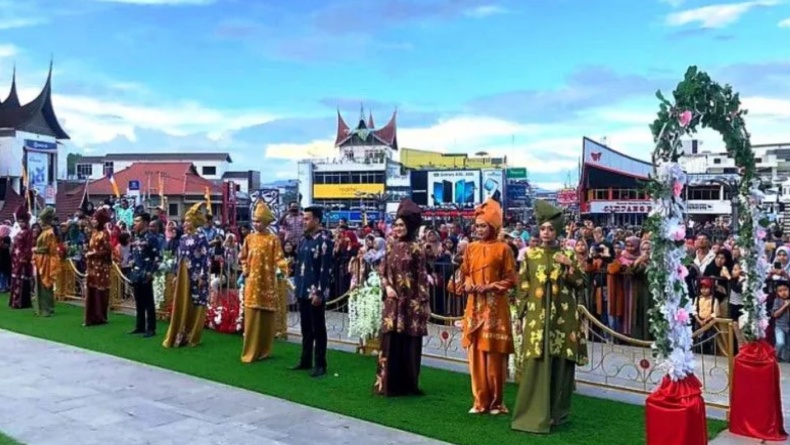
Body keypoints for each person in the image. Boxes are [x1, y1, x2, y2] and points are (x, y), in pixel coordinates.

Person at [512, 200, 587, 434]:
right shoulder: (530, 255)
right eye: (543, 228)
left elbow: (581, 283)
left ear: (558, 231)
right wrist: (519, 316)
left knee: (560, 362)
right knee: (536, 361)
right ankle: (532, 414)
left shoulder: (567, 254)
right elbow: (523, 286)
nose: (546, 233)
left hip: (563, 318)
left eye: (551, 229)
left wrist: (569, 266)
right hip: (537, 319)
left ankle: (557, 413)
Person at [460, 198, 517, 414]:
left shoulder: (504, 249)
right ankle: (479, 401)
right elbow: (465, 273)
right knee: (475, 354)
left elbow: (511, 278)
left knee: (494, 355)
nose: (480, 230)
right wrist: (468, 284)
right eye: (477, 226)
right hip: (474, 306)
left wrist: (491, 286)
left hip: (495, 309)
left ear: (493, 227)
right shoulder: (471, 248)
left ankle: (496, 402)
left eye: (483, 226)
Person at [374, 199, 431, 397]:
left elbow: (422, 277)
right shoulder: (390, 246)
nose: (398, 228)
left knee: (410, 343)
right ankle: (388, 384)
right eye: (396, 225)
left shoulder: (417, 248)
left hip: (411, 303)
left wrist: (424, 303)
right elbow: (382, 271)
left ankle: (408, 385)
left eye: (401, 225)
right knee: (390, 341)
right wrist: (388, 287)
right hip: (392, 302)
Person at [239, 200, 288, 362]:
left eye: (259, 221)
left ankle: (264, 351)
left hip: (267, 284)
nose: (256, 224)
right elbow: (243, 257)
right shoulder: (249, 238)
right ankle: (250, 351)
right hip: (252, 284)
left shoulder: (273, 239)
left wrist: (282, 270)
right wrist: (245, 269)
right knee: (251, 319)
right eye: (254, 221)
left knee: (266, 319)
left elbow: (279, 259)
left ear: (266, 222)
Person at [291, 206, 333, 378]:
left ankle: (320, 364)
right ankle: (305, 359)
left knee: (318, 329)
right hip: (302, 289)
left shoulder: (325, 241)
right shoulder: (304, 240)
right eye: (303, 218)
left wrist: (320, 292)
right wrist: (297, 287)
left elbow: (326, 269)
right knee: (306, 327)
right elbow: (299, 265)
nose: (303, 221)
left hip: (315, 292)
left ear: (316, 220)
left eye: (307, 218)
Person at [162, 203, 211, 348]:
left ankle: (192, 335)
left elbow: (206, 259)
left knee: (197, 302)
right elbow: (179, 257)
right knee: (183, 301)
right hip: (183, 274)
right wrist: (176, 274)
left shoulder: (201, 238)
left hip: (197, 275)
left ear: (194, 222)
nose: (185, 224)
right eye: (185, 221)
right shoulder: (182, 238)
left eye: (188, 221)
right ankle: (180, 333)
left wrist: (203, 276)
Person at [129, 212, 161, 338]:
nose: (135, 223)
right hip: (136, 273)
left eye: (138, 221)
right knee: (139, 301)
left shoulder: (151, 238)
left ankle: (151, 328)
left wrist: (151, 272)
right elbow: (134, 254)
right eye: (135, 221)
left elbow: (158, 257)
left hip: (146, 273)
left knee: (148, 302)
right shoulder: (137, 237)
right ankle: (140, 326)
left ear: (145, 223)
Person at [84, 208, 113, 326]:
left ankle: (100, 317)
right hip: (92, 266)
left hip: (101, 267)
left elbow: (108, 251)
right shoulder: (94, 232)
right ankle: (91, 317)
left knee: (100, 291)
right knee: (91, 289)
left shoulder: (105, 233)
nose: (93, 221)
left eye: (95, 219)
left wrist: (94, 254)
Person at [32, 207, 60, 317]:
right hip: (41, 259)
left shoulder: (49, 233)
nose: (39, 221)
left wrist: (37, 250)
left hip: (46, 260)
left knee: (45, 284)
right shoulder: (45, 231)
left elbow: (51, 249)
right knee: (41, 284)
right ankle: (42, 307)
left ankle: (46, 309)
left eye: (40, 219)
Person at [9, 205, 33, 309]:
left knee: (22, 280)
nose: (20, 223)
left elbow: (28, 246)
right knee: (16, 279)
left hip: (23, 260)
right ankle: (14, 301)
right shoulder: (19, 231)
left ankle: (22, 302)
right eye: (19, 221)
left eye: (22, 221)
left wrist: (25, 257)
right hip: (16, 260)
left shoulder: (28, 232)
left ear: (26, 222)